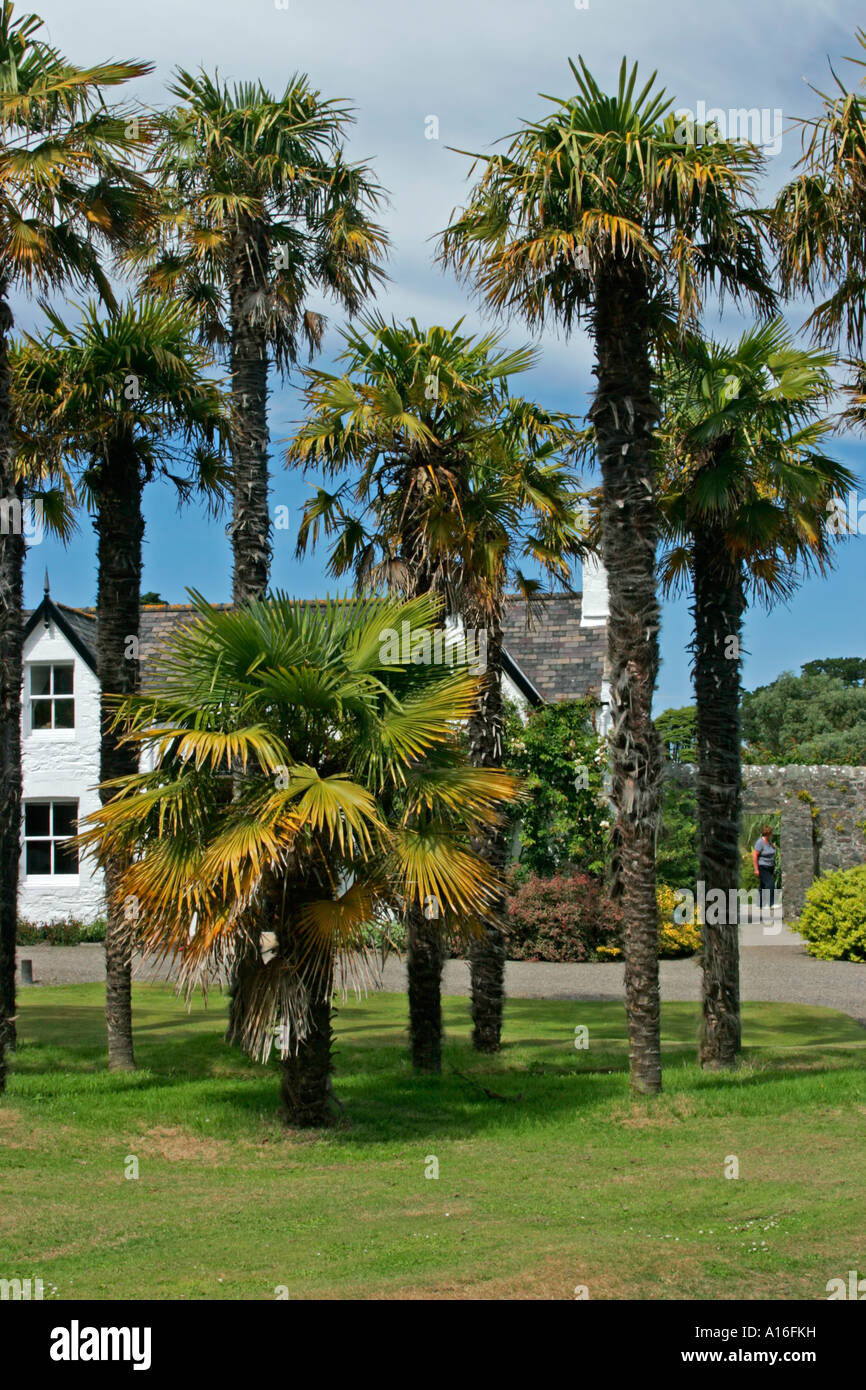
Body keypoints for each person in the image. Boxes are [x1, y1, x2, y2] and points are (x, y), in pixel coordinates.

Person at [753, 827, 777, 914]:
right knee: (770, 884)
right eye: (771, 833)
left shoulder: (768, 842)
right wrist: (756, 869)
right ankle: (770, 903)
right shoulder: (760, 842)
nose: (772, 834)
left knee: (762, 886)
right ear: (768, 834)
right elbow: (755, 855)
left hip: (770, 866)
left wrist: (773, 847)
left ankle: (759, 904)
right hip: (762, 866)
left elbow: (770, 850)